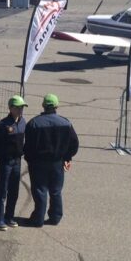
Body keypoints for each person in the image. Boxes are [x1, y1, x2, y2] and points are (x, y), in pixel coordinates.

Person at [23, 94, 79, 227]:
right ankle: (55, 217)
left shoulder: (34, 123)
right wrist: (67, 157)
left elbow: (28, 146)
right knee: (55, 190)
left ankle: (38, 218)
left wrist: (29, 159)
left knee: (40, 190)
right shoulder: (65, 123)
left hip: (38, 163)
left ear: (43, 105)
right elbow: (74, 143)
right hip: (57, 163)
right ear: (56, 106)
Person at [0, 95, 27, 230]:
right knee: (2, 191)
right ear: (10, 108)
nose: (20, 110)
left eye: (22, 107)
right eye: (18, 107)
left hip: (17, 161)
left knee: (14, 191)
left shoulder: (23, 122)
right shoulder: (3, 125)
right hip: (5, 162)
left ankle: (9, 217)